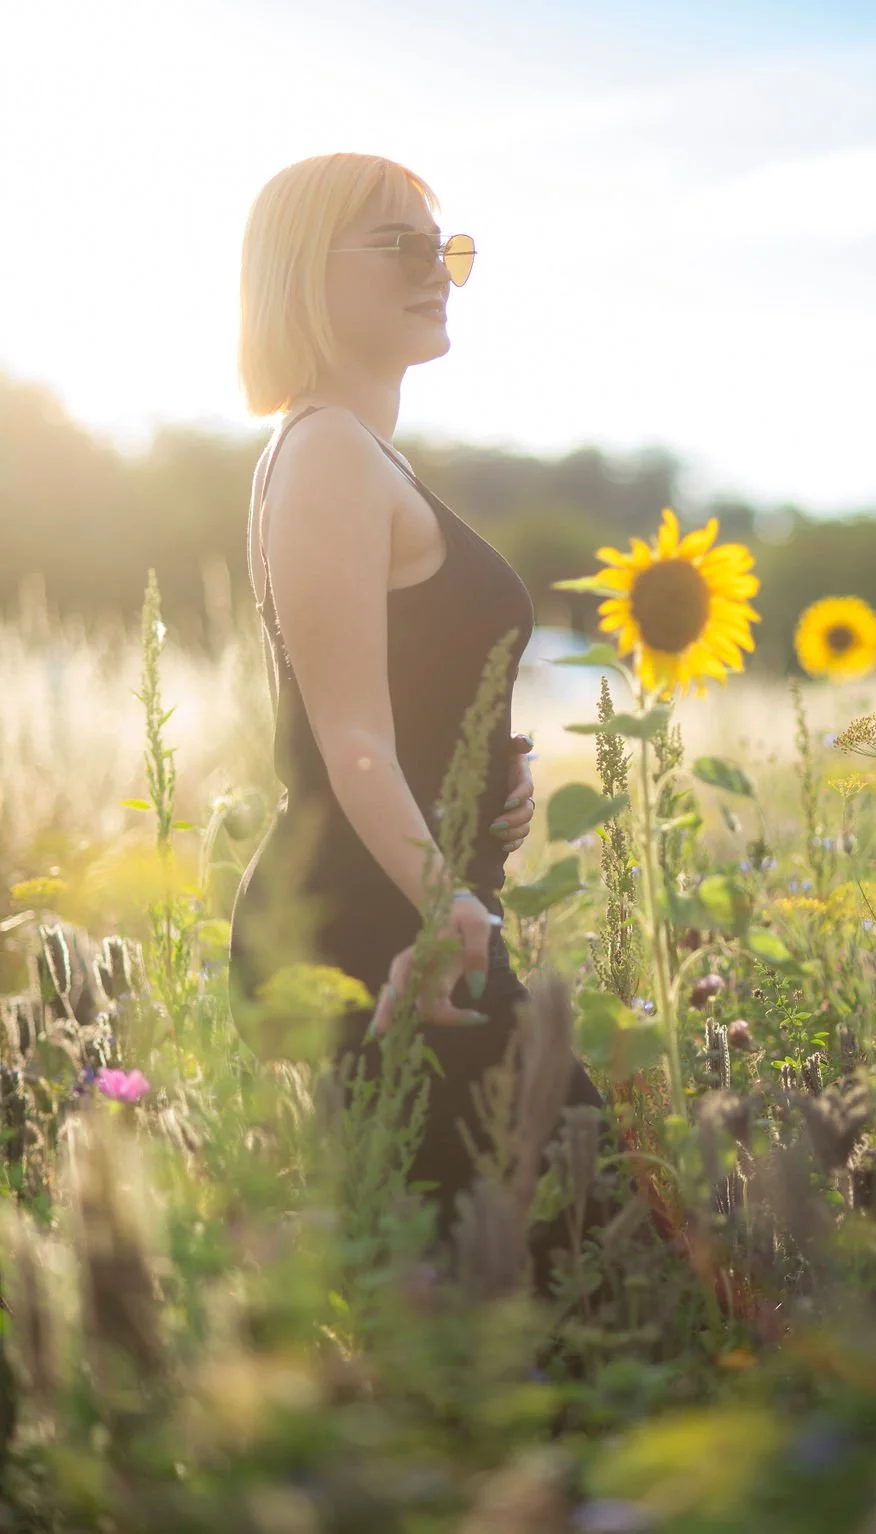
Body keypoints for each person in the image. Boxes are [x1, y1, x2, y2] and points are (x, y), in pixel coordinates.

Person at [228, 152, 610, 1284]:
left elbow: (392, 710)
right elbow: (347, 738)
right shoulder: (330, 453)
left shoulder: (351, 452)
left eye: (443, 247)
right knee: (556, 1260)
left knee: (507, 1273)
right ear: (303, 273)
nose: (436, 270)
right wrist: (441, 896)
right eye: (397, 244)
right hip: (380, 926)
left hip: (406, 906)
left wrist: (482, 769)